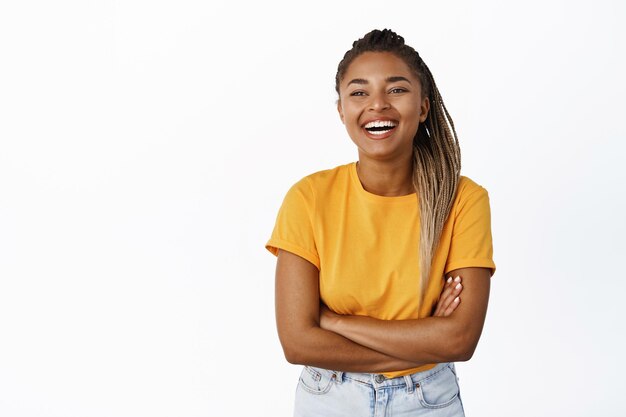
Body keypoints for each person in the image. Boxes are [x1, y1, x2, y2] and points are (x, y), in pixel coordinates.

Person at [265, 29, 496, 417]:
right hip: (329, 397)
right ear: (341, 110)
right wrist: (423, 338)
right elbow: (298, 343)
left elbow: (459, 338)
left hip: (428, 401)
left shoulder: (463, 200)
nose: (377, 105)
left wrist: (334, 321)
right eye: (359, 92)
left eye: (396, 90)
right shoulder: (308, 198)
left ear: (423, 107)